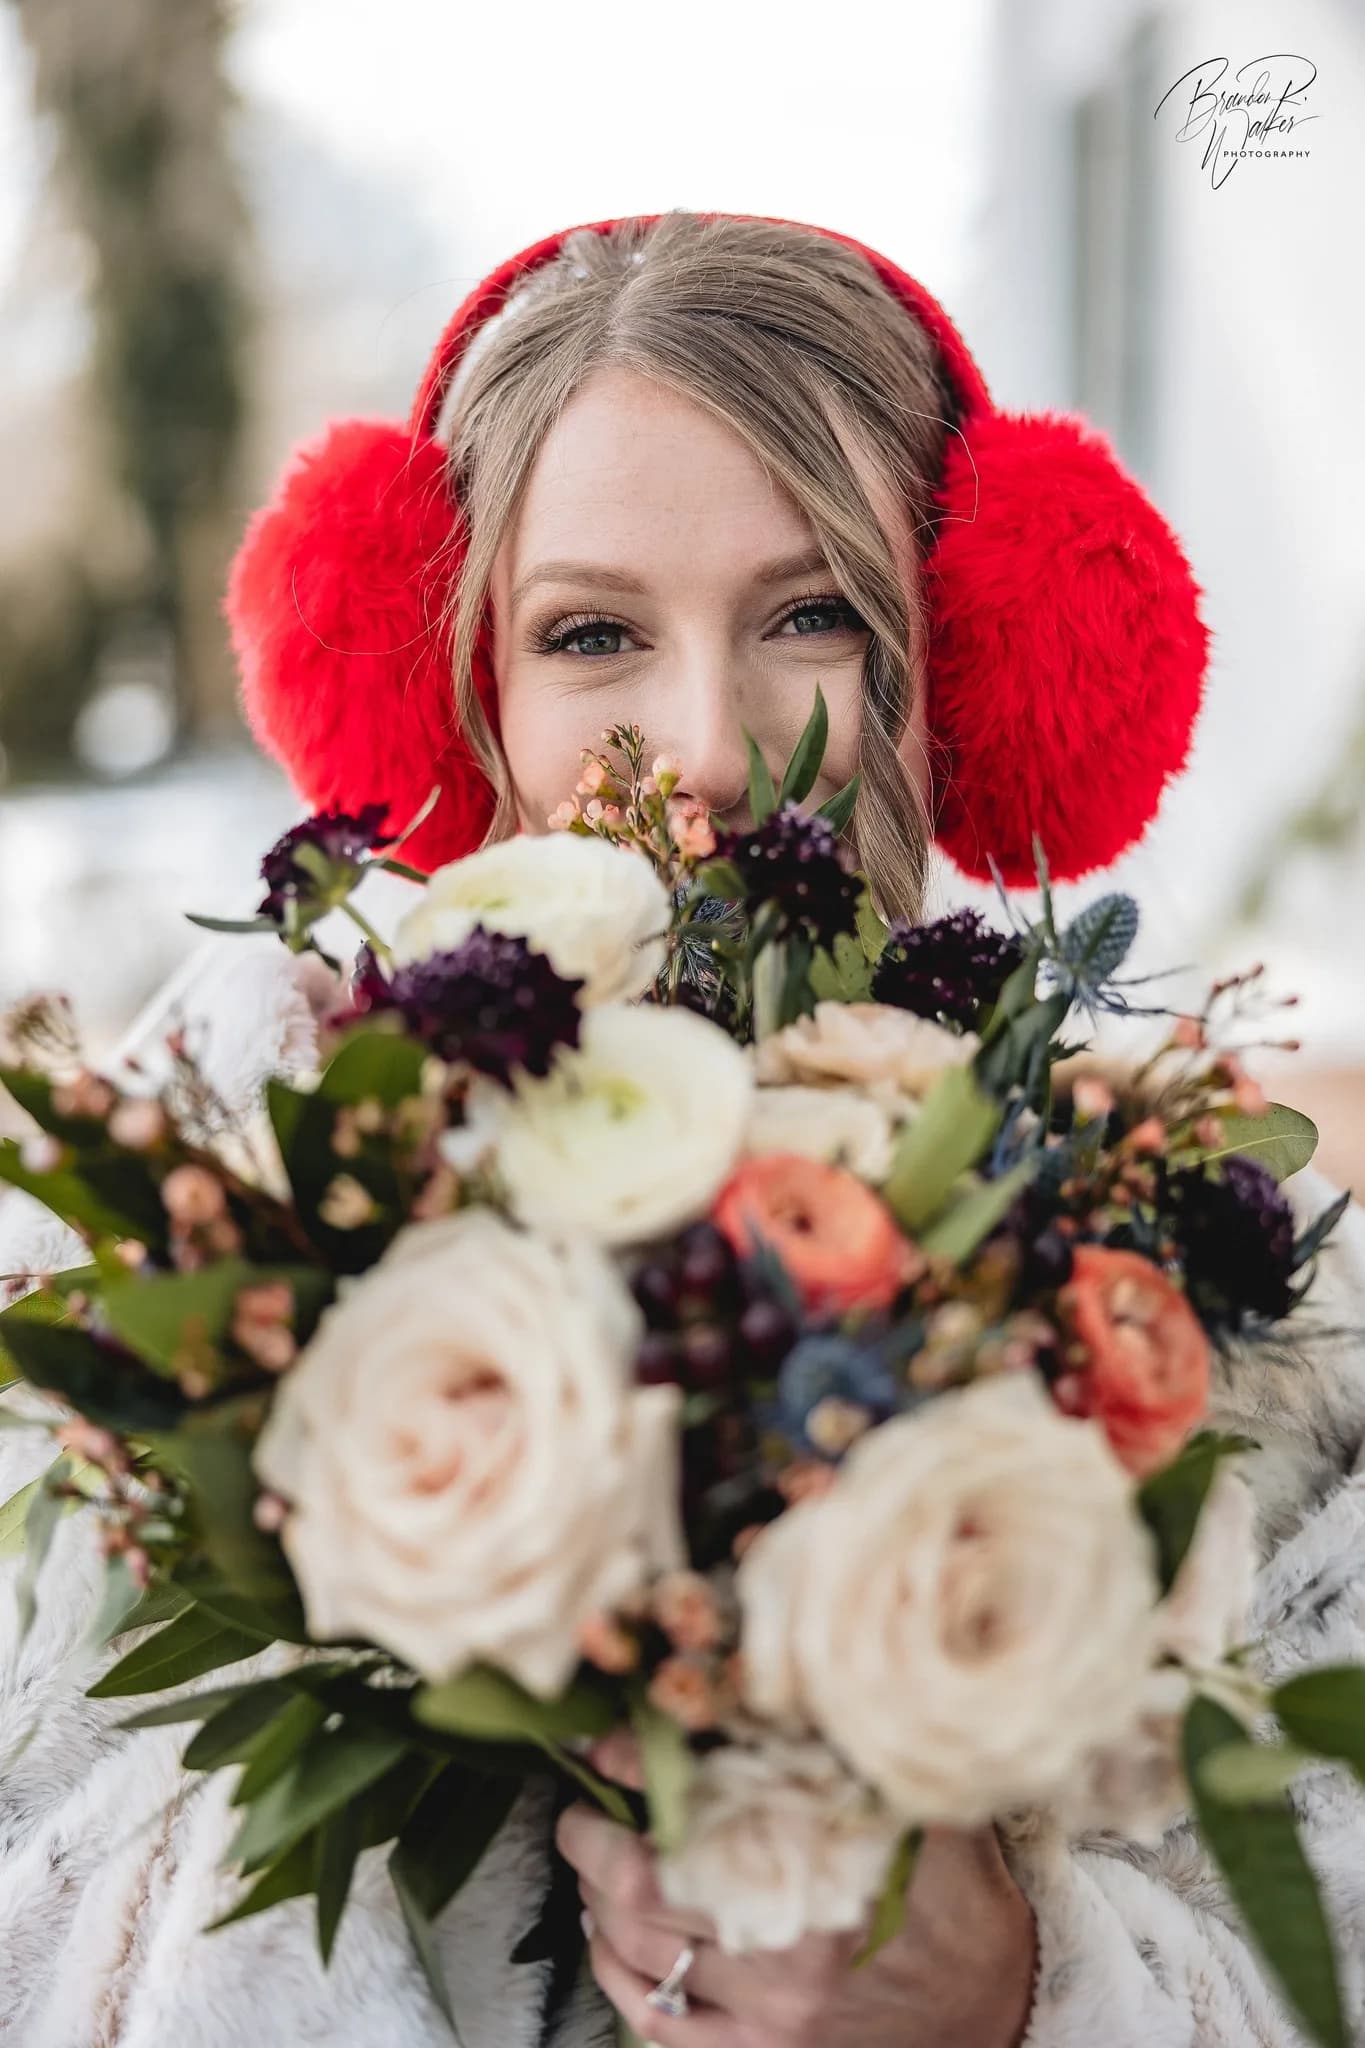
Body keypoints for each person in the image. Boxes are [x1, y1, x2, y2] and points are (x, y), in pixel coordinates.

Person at [2, 207, 1364, 2047]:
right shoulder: (166, 1227)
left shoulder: (1228, 1309)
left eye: (810, 615)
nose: (710, 748)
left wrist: (1022, 1996)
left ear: (954, 664)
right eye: (592, 633)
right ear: (461, 683)